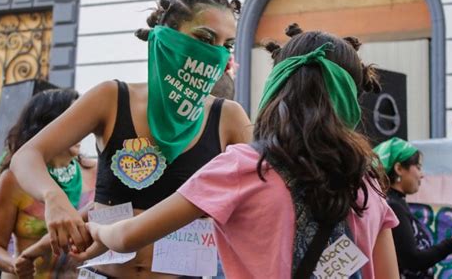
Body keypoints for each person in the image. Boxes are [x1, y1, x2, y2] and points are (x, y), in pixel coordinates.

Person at [77, 24, 401, 279]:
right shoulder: (369, 184)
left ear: (276, 90)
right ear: (351, 99)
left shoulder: (244, 166)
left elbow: (127, 237)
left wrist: (97, 228)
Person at [10, 0, 252, 279]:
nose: (215, 54)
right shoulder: (112, 98)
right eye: (204, 38)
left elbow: (261, 192)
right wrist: (53, 198)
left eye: (226, 45)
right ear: (167, 36)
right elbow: (27, 156)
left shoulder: (228, 117)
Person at [0, 89, 97, 279]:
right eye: (73, 120)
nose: (82, 129)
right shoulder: (14, 179)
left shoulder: (94, 172)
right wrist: (14, 264)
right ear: (47, 126)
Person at [374, 137, 452, 278]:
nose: (422, 175)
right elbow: (412, 260)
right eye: (418, 167)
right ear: (399, 168)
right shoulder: (393, 207)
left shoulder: (395, 204)